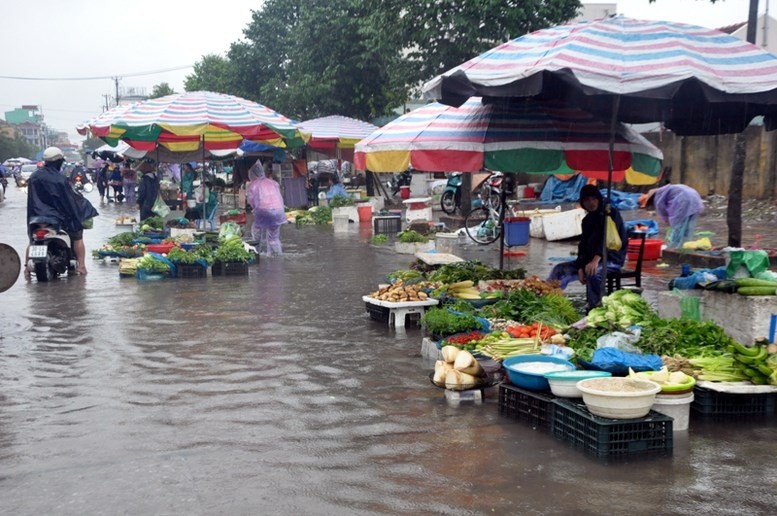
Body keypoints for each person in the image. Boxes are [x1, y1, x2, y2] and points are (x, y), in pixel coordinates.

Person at [547, 184, 627, 310]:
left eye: (594, 199)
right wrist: (580, 267)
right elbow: (583, 246)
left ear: (599, 199)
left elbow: (607, 240)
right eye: (587, 200)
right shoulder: (587, 220)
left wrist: (596, 259)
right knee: (559, 269)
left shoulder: (611, 214)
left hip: (611, 259)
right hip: (589, 261)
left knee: (593, 273)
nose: (591, 203)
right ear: (582, 202)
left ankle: (595, 306)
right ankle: (550, 301)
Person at [25, 147, 98, 278]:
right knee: (77, 235)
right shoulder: (60, 179)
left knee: (32, 240)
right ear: (59, 162)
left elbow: (32, 200)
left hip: (36, 218)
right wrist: (78, 213)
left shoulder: (34, 176)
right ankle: (81, 266)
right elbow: (69, 201)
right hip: (56, 218)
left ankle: (26, 270)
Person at [639, 183, 704, 249]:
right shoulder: (664, 190)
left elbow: (663, 213)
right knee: (688, 227)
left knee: (678, 226)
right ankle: (684, 246)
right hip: (695, 199)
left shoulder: (658, 197)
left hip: (683, 200)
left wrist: (669, 223)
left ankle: (673, 249)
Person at [246, 160, 286, 256]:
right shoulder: (273, 183)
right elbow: (280, 197)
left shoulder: (253, 185)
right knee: (273, 236)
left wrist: (254, 209)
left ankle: (256, 251)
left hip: (262, 210)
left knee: (256, 229)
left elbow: (251, 201)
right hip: (279, 211)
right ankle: (276, 256)